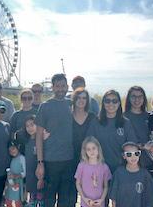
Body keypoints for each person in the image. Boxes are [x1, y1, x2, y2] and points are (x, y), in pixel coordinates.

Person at [35, 73, 75, 207]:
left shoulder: (72, 104)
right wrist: (40, 162)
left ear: (67, 86)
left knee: (65, 200)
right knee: (49, 200)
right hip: (50, 160)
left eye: (63, 86)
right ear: (52, 87)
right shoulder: (45, 106)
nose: (60, 89)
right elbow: (39, 137)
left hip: (69, 159)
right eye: (57, 86)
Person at [124, 86, 153, 190]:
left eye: (140, 96)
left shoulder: (152, 116)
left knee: (152, 200)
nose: (137, 99)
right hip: (133, 165)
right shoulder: (122, 118)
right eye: (133, 96)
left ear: (144, 98)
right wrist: (143, 146)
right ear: (128, 98)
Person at [88, 90, 137, 174]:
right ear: (103, 103)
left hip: (121, 169)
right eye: (107, 101)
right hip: (99, 168)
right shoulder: (95, 122)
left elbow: (132, 146)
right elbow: (88, 144)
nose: (111, 104)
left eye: (114, 101)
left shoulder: (125, 123)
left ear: (119, 104)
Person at [109, 142, 153, 207]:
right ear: (124, 156)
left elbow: (150, 197)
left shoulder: (144, 174)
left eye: (136, 153)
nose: (133, 157)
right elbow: (114, 196)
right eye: (129, 154)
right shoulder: (119, 173)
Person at [75, 136, 111, 207]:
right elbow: (78, 184)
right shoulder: (81, 166)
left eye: (94, 148)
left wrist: (101, 199)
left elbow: (106, 186)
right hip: (86, 203)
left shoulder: (104, 167)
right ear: (85, 151)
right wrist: (84, 198)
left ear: (98, 148)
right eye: (88, 149)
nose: (92, 151)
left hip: (99, 203)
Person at [18, 115, 44, 206]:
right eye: (27, 126)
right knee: (32, 197)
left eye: (32, 124)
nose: (30, 128)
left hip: (40, 173)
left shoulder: (42, 140)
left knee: (41, 197)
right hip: (30, 174)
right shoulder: (26, 141)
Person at [5, 140, 26, 207]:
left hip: (18, 183)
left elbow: (24, 173)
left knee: (18, 201)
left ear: (18, 147)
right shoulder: (11, 159)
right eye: (10, 150)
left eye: (13, 149)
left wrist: (16, 175)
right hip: (10, 183)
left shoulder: (22, 158)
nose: (12, 151)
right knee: (8, 199)